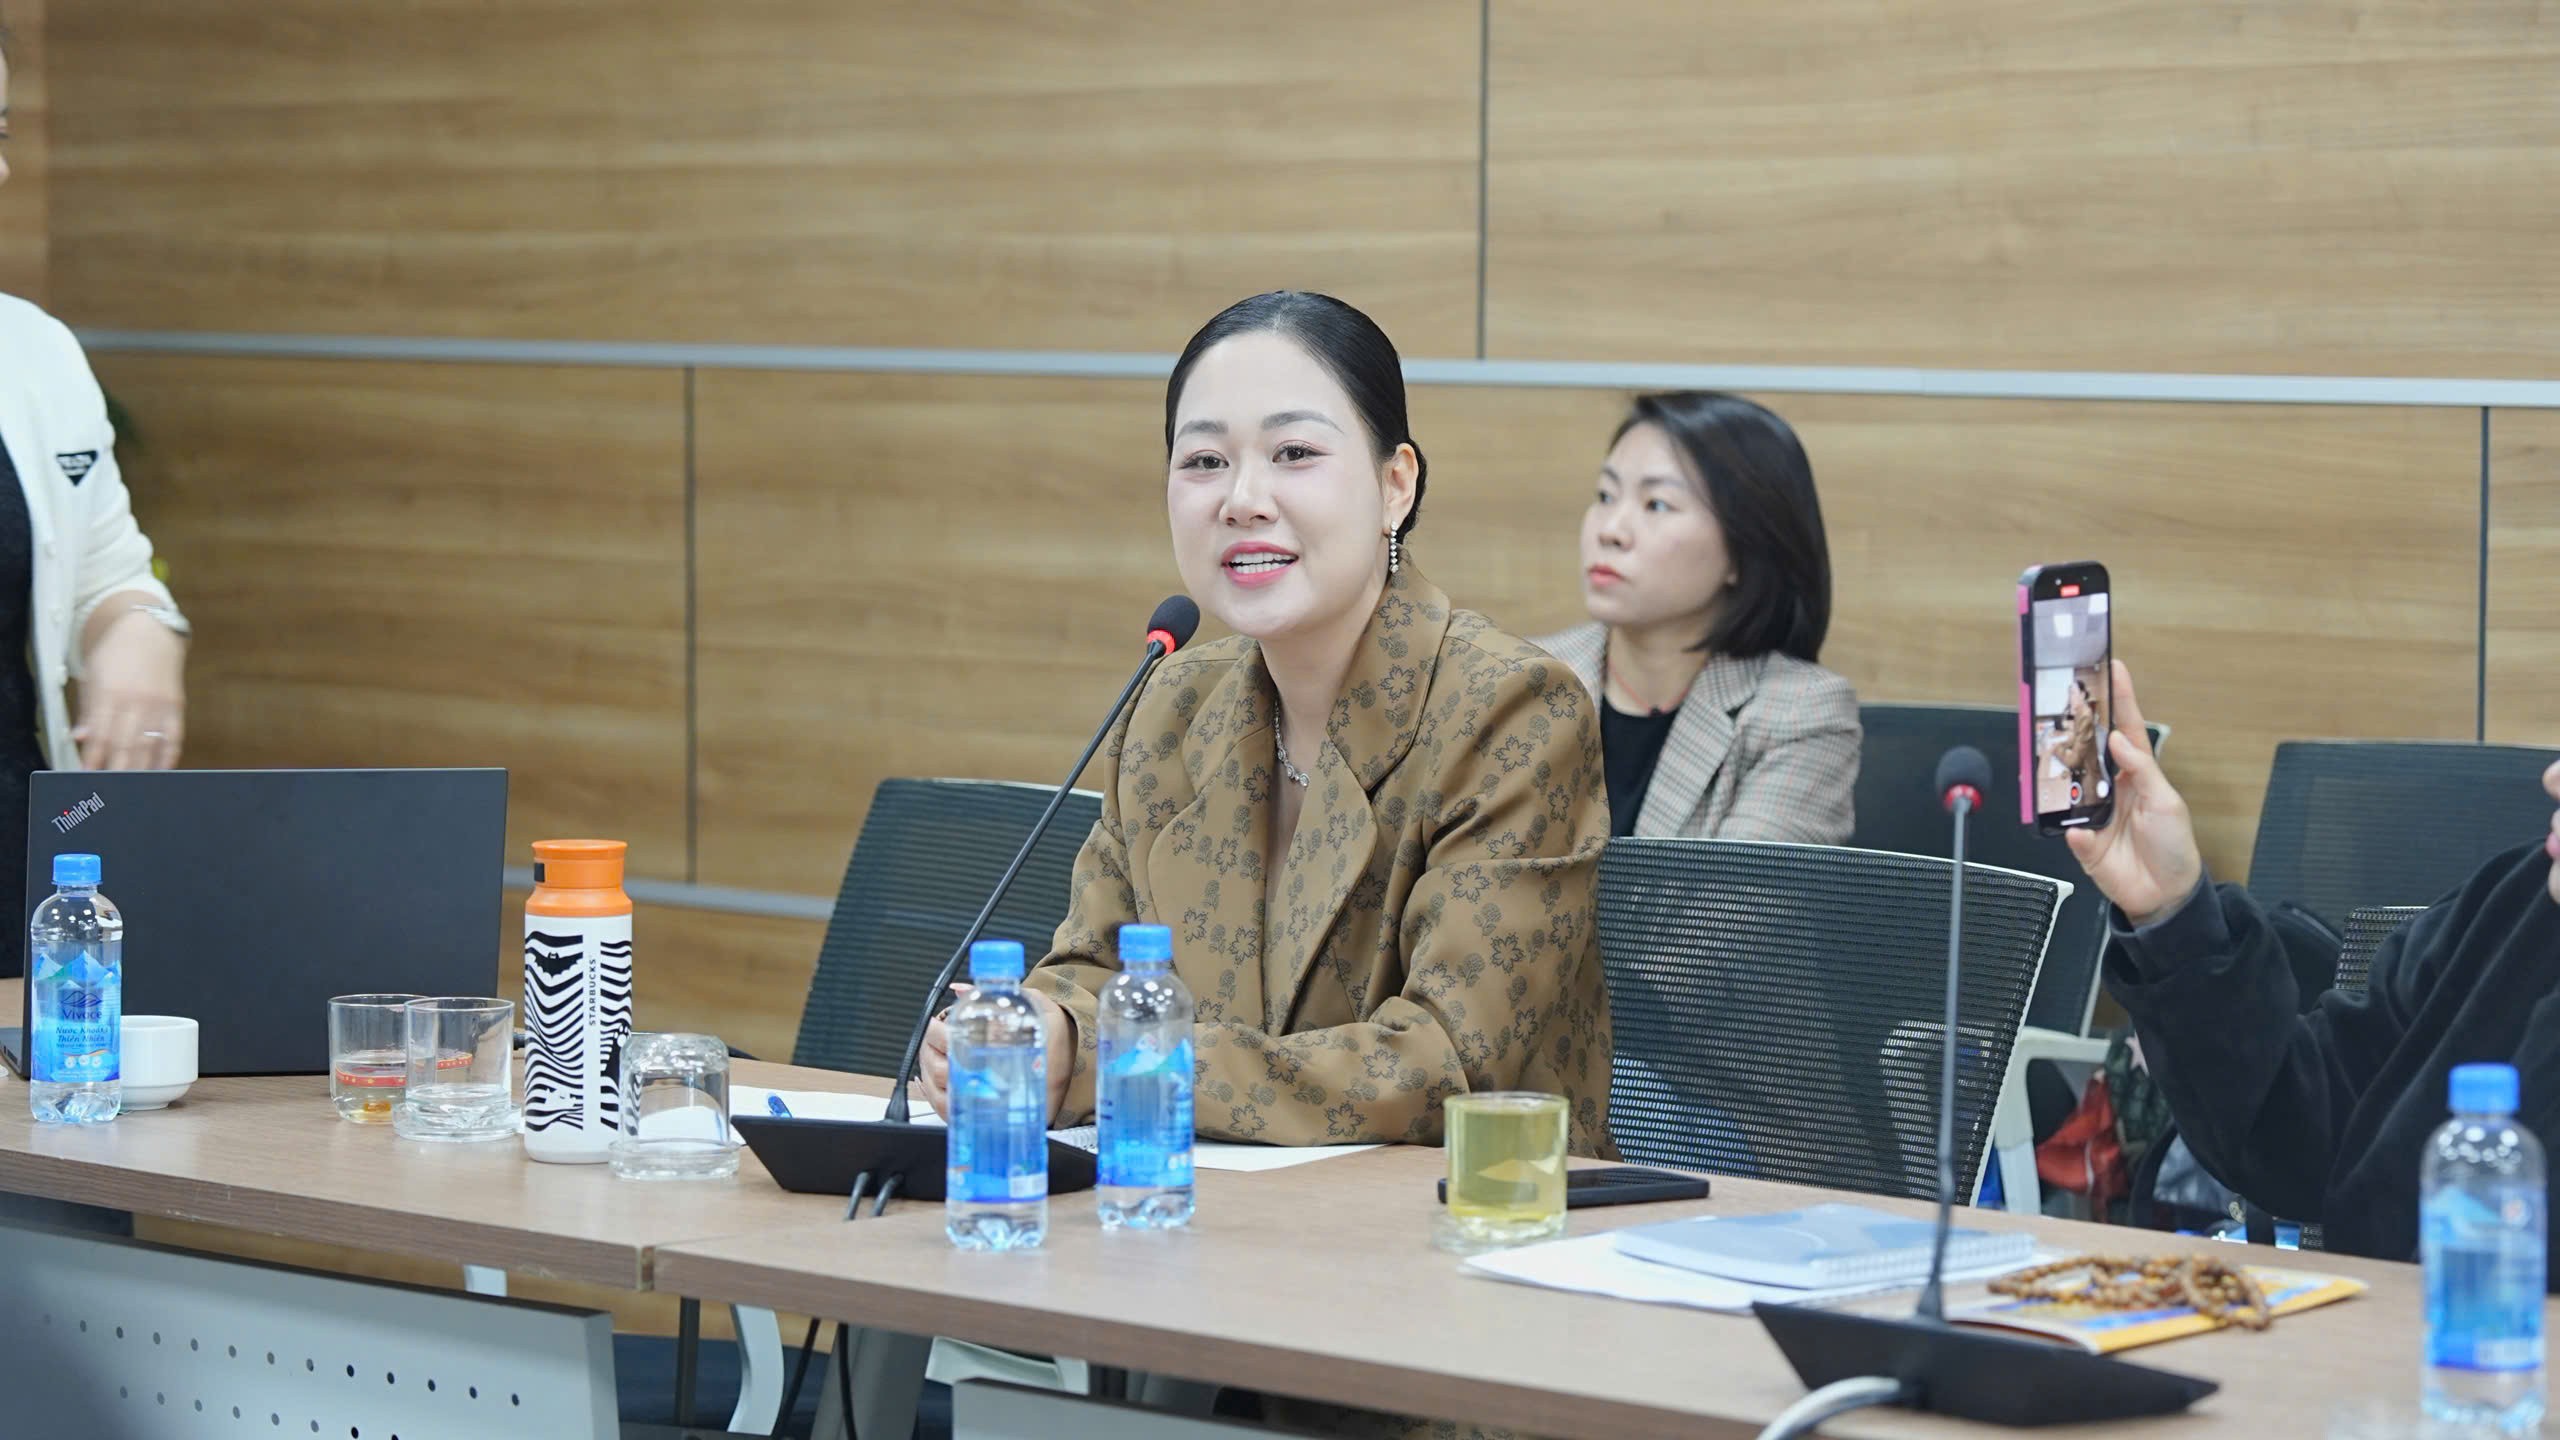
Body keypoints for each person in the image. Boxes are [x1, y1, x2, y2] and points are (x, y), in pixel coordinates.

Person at [915, 290, 1615, 1157]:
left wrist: (1107, 1063)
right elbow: (1093, 970)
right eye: (1204, 461)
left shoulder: (1510, 708)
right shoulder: (1172, 706)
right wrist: (1034, 1030)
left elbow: (1448, 1063)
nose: (1243, 499)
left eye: (1294, 453)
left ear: (1395, 485)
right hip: (1207, 1208)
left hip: (1470, 1215)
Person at [2075, 659, 2560, 1273]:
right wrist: (2175, 918)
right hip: (2390, 1327)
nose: (2553, 777)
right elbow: (2305, 1137)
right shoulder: (2517, 905)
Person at [1534, 391, 1858, 841]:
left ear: (1743, 550)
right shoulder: (1521, 681)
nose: (1610, 530)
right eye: (1605, 496)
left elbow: (1739, 887)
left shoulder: (1799, 714)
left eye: (1656, 504)